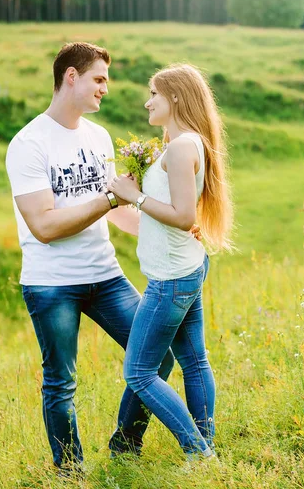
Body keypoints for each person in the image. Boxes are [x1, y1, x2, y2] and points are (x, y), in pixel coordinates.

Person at [5, 42, 201, 474]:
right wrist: (110, 197)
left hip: (106, 276)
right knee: (61, 382)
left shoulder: (98, 137)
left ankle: (125, 446)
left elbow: (121, 214)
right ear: (70, 77)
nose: (105, 90)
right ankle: (70, 472)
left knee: (157, 357)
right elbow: (45, 225)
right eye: (99, 79)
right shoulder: (28, 143)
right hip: (51, 283)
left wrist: (177, 226)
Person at [108, 63, 233, 460]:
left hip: (171, 279)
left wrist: (135, 197)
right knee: (194, 362)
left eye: (154, 94)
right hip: (185, 267)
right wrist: (112, 205)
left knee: (140, 372)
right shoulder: (180, 143)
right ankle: (204, 446)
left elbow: (183, 216)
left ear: (175, 96)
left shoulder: (181, 147)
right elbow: (158, 222)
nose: (148, 101)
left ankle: (199, 453)